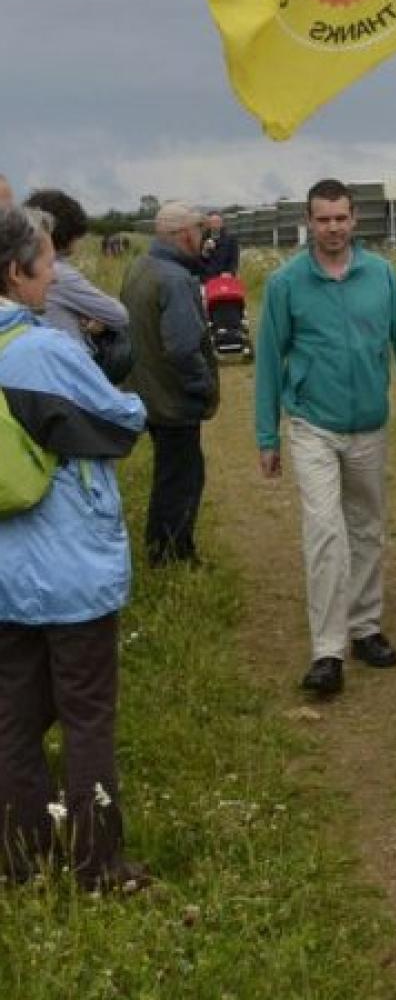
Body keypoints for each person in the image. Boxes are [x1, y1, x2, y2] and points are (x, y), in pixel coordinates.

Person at [0, 206, 150, 892]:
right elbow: (118, 423)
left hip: (7, 576)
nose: (53, 272)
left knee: (14, 721)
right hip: (68, 570)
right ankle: (97, 864)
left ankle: (20, 855)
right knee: (87, 717)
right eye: (47, 261)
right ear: (16, 271)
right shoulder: (41, 351)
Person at [255, 179, 396, 698]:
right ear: (309, 222)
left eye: (341, 218)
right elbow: (270, 360)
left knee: (366, 527)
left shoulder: (381, 276)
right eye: (323, 219)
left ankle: (365, 627)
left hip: (369, 424)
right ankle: (327, 651)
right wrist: (266, 435)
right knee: (325, 532)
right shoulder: (286, 283)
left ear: (354, 219)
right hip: (312, 425)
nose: (333, 228)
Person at [120, 201, 219, 566]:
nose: (203, 238)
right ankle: (173, 556)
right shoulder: (175, 279)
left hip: (147, 392)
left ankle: (161, 549)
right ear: (184, 234)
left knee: (169, 475)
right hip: (173, 399)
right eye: (199, 230)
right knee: (183, 478)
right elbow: (183, 348)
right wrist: (204, 386)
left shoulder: (141, 266)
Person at [25, 189, 130, 367]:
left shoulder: (24, 265)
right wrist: (92, 318)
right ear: (66, 233)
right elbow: (120, 315)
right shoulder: (60, 274)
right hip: (70, 365)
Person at [198, 212, 240, 282]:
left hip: (225, 277)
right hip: (207, 277)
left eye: (217, 222)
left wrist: (230, 272)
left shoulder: (230, 239)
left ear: (222, 223)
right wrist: (205, 251)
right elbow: (199, 261)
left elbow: (234, 258)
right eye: (212, 222)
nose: (215, 225)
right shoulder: (202, 238)